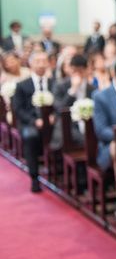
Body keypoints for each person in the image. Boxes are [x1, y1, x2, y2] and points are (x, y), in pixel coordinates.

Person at [12, 51, 54, 192]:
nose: (41, 64)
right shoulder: (23, 85)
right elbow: (19, 109)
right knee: (31, 136)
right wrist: (34, 121)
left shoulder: (54, 83)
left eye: (44, 61)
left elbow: (59, 104)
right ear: (30, 63)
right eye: (38, 61)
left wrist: (53, 117)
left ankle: (61, 172)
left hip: (51, 122)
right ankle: (34, 177)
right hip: (31, 122)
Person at [51, 54, 95, 151]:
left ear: (87, 70)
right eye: (75, 71)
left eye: (81, 71)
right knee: (84, 139)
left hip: (88, 124)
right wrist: (73, 90)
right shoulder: (60, 86)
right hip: (68, 125)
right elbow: (60, 110)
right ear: (70, 69)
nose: (78, 74)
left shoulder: (92, 89)